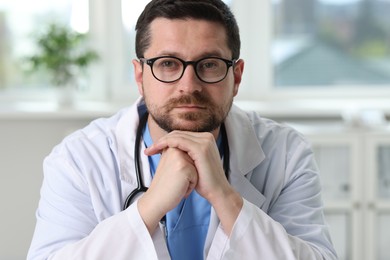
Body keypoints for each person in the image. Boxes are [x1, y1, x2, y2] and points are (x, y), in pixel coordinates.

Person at [27, 0, 338, 259]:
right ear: (140, 76)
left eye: (210, 64)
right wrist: (148, 209)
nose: (188, 86)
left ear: (237, 76)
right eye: (167, 64)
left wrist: (226, 198)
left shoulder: (286, 153)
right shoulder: (78, 159)